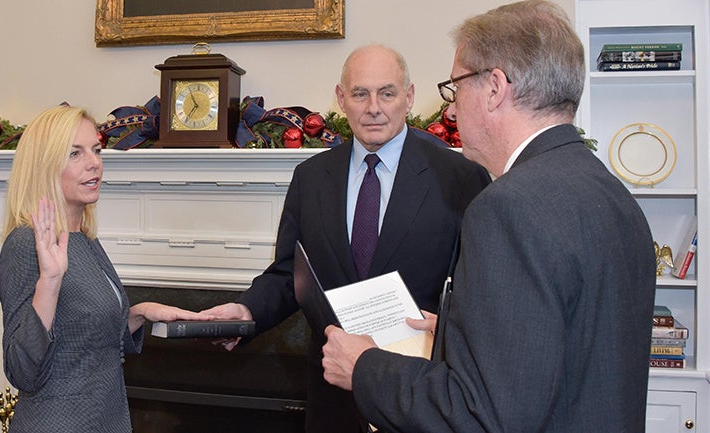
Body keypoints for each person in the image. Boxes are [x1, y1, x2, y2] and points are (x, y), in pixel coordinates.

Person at [321, 2, 657, 432]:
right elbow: (573, 346)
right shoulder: (609, 192)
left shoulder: (507, 207)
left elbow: (482, 415)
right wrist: (461, 331)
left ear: (495, 88)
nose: (453, 112)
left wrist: (364, 366)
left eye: (455, 87)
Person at [198, 44, 491, 433]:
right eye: (359, 94)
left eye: (387, 93)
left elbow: (477, 292)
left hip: (416, 400)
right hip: (331, 402)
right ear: (341, 98)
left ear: (410, 96)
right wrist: (247, 312)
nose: (374, 107)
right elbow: (290, 274)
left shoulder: (460, 177)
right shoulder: (311, 178)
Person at [0, 105, 204, 433]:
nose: (94, 162)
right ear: (43, 166)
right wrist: (49, 281)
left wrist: (139, 313)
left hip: (106, 419)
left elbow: (86, 338)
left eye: (95, 149)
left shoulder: (84, 239)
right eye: (75, 154)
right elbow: (22, 370)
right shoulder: (26, 245)